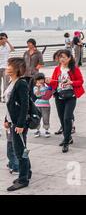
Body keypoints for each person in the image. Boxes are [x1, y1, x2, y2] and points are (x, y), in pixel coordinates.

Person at [46, 50, 85, 153]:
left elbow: (81, 81)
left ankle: (66, 142)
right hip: (59, 96)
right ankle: (68, 137)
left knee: (67, 118)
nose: (61, 59)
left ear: (69, 58)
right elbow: (54, 83)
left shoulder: (74, 69)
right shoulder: (57, 69)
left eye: (63, 57)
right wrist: (48, 82)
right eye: (60, 57)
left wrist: (71, 82)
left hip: (71, 96)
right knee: (62, 119)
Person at [4, 57, 32, 191]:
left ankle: (23, 179)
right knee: (22, 149)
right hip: (13, 121)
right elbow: (10, 103)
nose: (7, 67)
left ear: (16, 68)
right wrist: (6, 119)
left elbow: (25, 105)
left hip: (19, 123)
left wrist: (20, 124)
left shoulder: (21, 83)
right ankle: (28, 173)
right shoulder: (12, 81)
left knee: (20, 152)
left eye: (9, 65)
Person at [32, 73, 52, 138]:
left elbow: (49, 95)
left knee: (46, 118)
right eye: (38, 80)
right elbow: (37, 95)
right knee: (37, 118)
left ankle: (46, 130)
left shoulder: (47, 87)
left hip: (46, 105)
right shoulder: (35, 87)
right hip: (37, 105)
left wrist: (50, 87)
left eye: (42, 79)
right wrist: (38, 88)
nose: (40, 81)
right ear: (36, 81)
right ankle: (37, 130)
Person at [0, 33, 15, 103]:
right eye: (2, 38)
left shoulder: (7, 46)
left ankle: (5, 97)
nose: (3, 40)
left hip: (6, 67)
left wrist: (8, 41)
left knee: (6, 83)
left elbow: (13, 49)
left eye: (5, 38)